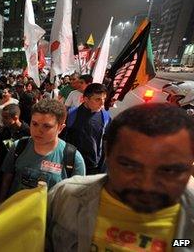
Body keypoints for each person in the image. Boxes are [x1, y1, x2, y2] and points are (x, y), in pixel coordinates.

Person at [47, 103, 194, 251]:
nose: (146, 185)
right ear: (107, 153)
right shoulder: (65, 197)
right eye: (130, 166)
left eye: (169, 171)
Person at [0, 99, 86, 202]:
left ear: (60, 128)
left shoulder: (73, 158)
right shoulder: (18, 147)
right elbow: (6, 180)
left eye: (46, 126)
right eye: (35, 124)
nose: (38, 130)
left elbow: (77, 198)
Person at [62, 83, 111, 175]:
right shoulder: (72, 114)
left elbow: (106, 144)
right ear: (85, 99)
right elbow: (62, 139)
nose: (102, 103)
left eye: (104, 99)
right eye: (98, 99)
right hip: (70, 164)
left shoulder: (106, 117)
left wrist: (102, 169)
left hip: (92, 167)